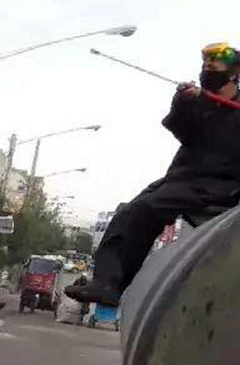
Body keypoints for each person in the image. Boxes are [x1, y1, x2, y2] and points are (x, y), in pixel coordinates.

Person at [67, 42, 240, 307]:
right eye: (204, 66)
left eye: (214, 67)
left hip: (218, 184)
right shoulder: (201, 104)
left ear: (234, 74)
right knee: (129, 210)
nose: (207, 71)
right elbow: (183, 130)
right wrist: (182, 103)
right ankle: (108, 282)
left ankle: (111, 284)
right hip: (183, 179)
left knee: (148, 208)